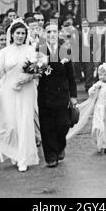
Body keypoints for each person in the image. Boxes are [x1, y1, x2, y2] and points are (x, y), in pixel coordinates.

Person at [0, 19, 40, 172]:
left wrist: (28, 77)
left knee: (24, 122)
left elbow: (37, 71)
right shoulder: (5, 51)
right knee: (11, 124)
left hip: (26, 90)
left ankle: (24, 158)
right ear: (12, 34)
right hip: (8, 90)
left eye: (23, 33)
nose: (20, 36)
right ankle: (14, 151)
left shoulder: (30, 50)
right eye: (18, 33)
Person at [37, 21, 77, 168]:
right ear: (44, 34)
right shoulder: (39, 51)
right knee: (47, 127)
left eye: (54, 32)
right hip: (44, 95)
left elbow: (71, 76)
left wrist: (73, 96)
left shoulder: (64, 50)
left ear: (58, 33)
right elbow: (35, 73)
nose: (52, 35)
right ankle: (51, 156)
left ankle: (60, 146)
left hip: (61, 95)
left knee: (63, 125)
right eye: (49, 32)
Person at [75, 63, 106, 154]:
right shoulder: (98, 84)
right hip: (99, 108)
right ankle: (99, 143)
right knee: (97, 127)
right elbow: (90, 93)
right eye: (99, 75)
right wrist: (94, 89)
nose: (100, 77)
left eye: (102, 75)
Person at [80, 18, 95, 91]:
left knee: (90, 68)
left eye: (86, 24)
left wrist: (93, 50)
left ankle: (88, 85)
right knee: (84, 69)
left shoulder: (91, 33)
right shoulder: (79, 33)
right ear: (81, 25)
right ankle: (87, 83)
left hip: (89, 51)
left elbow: (95, 43)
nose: (85, 25)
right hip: (81, 52)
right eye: (83, 24)